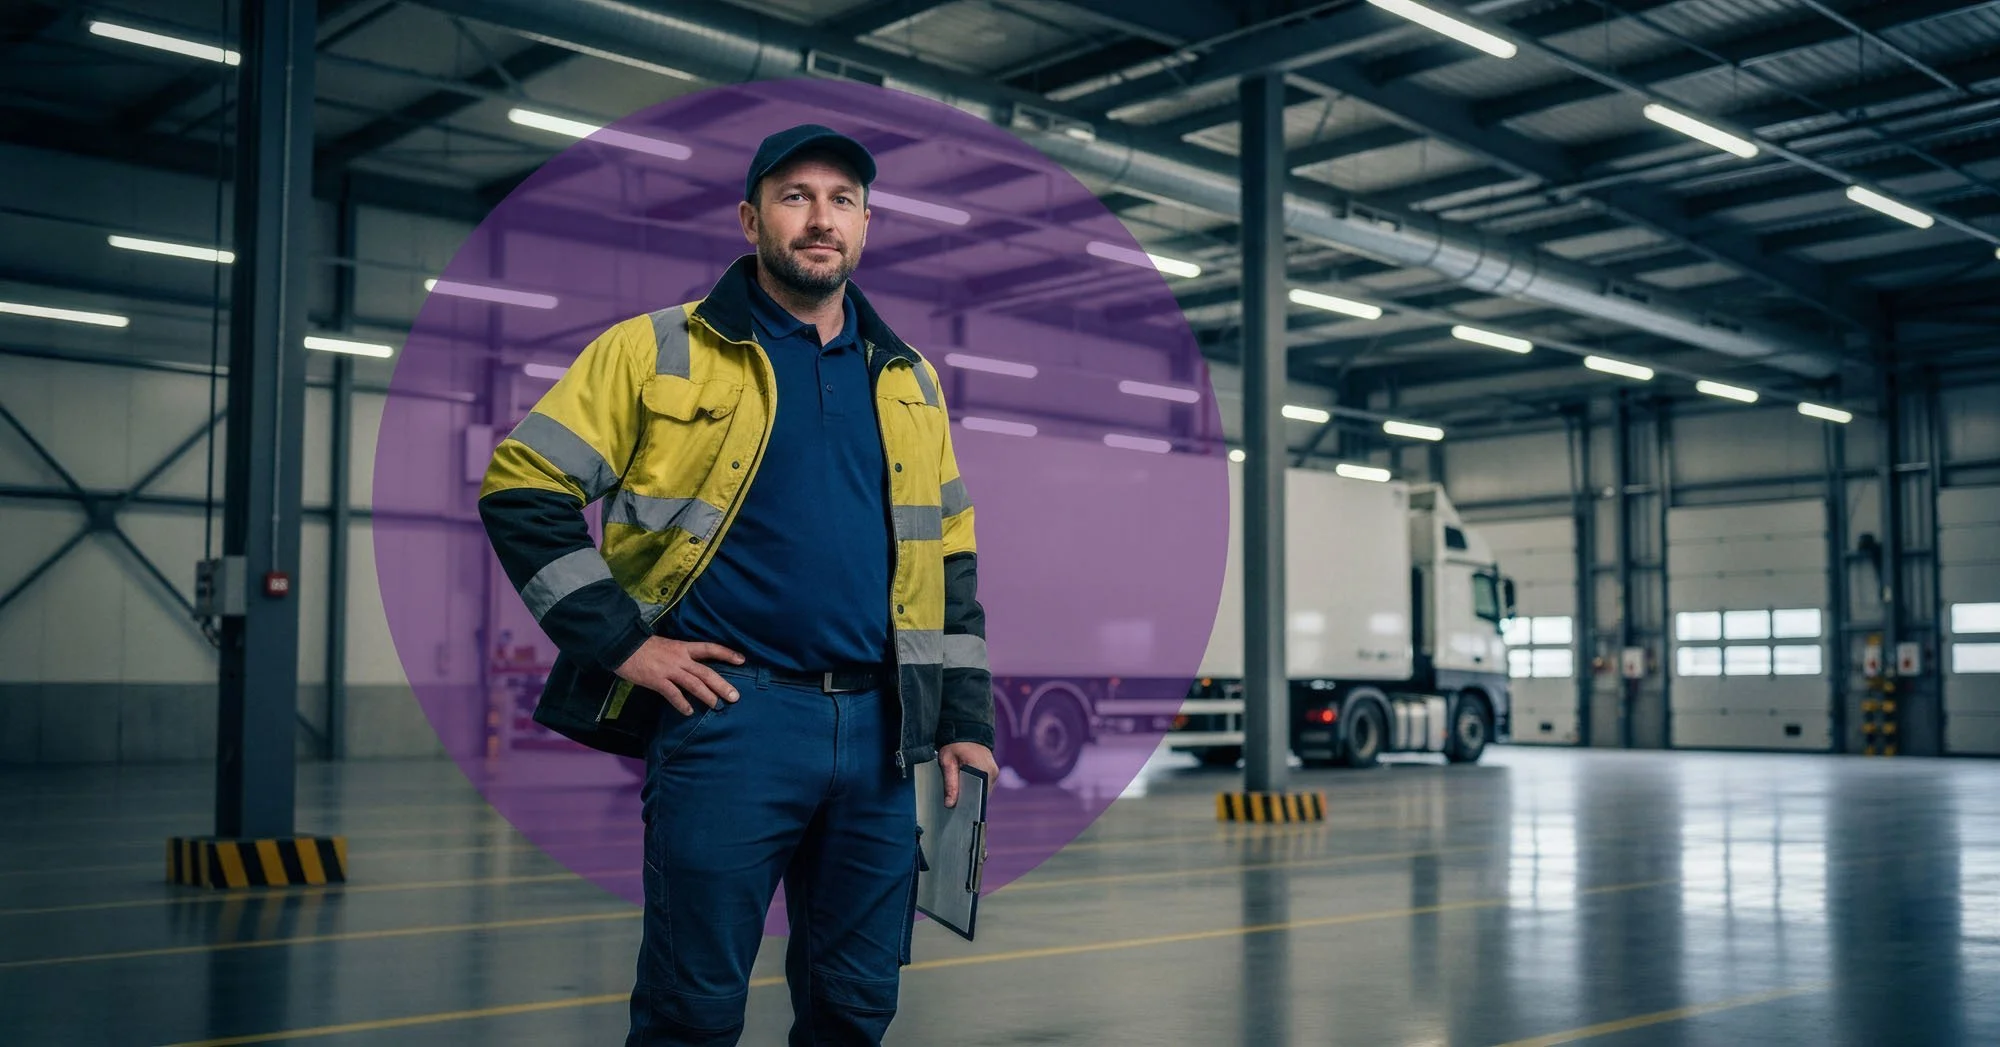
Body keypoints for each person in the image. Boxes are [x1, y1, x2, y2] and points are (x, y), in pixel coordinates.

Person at [477, 124, 1000, 1045]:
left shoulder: (909, 379)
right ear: (752, 217)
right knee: (694, 1006)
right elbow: (523, 487)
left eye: (842, 201)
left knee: (855, 1003)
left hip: (883, 734)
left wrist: (961, 721)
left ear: (866, 225)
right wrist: (623, 642)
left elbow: (947, 559)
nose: (821, 219)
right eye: (797, 197)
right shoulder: (655, 350)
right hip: (733, 720)